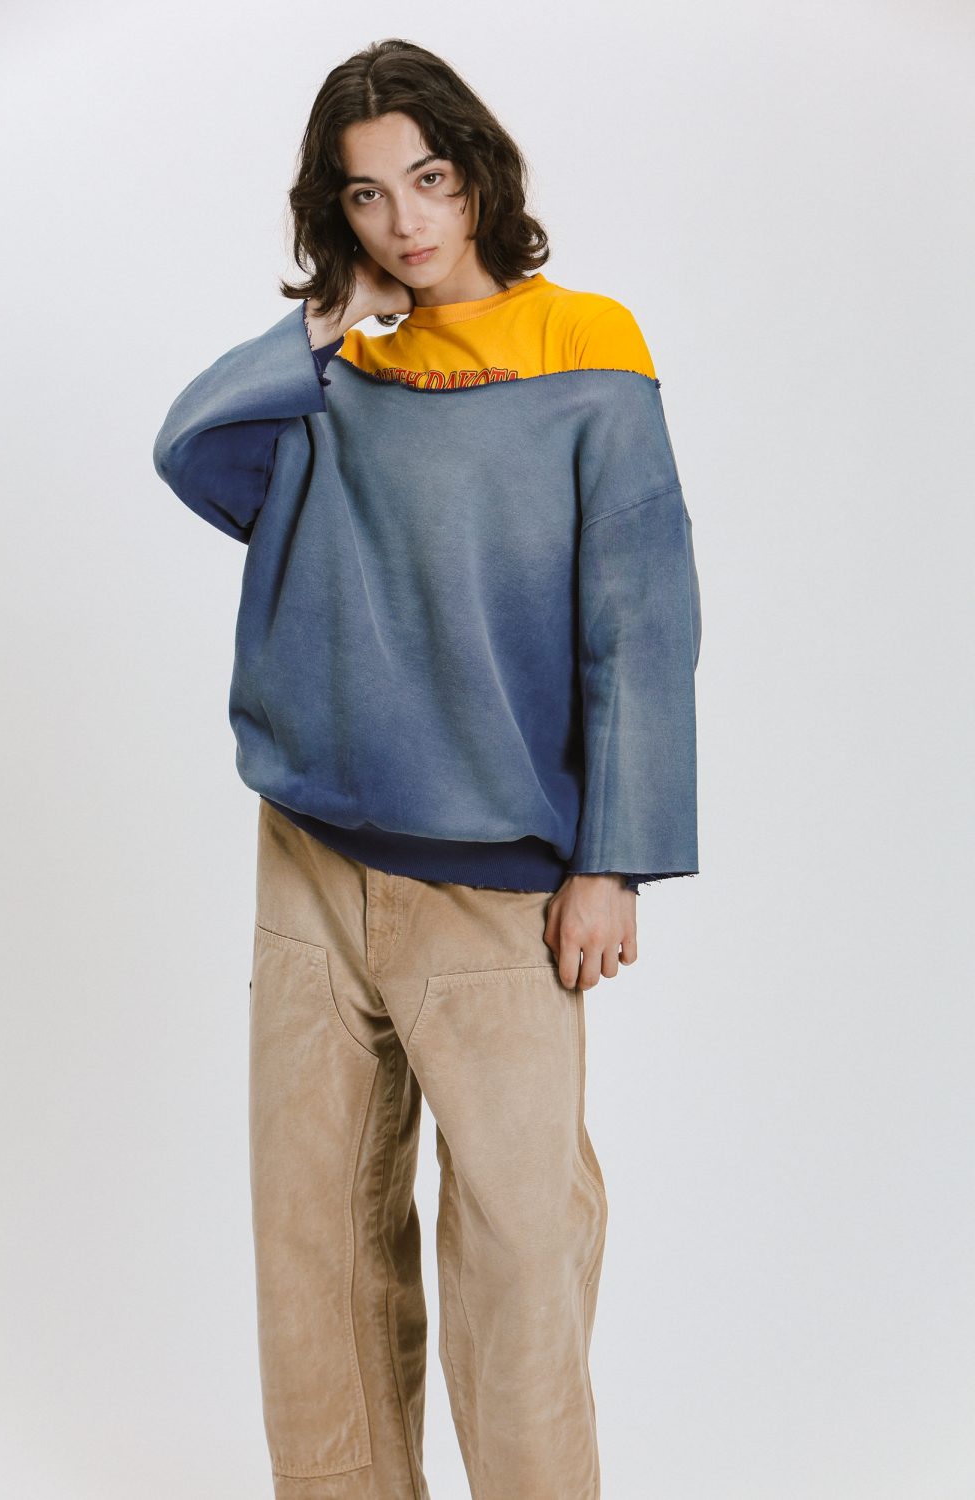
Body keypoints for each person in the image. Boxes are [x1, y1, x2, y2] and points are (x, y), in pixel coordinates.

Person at [152, 36, 701, 1500]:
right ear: (334, 215)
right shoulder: (334, 375)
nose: (406, 220)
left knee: (521, 1261)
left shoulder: (587, 348)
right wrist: (327, 321)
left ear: (479, 176)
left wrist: (613, 860)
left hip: (496, 887)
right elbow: (190, 455)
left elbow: (642, 625)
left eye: (430, 179)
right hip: (310, 862)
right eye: (366, 195)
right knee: (315, 1254)